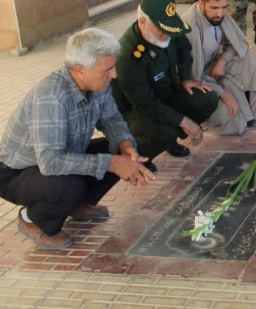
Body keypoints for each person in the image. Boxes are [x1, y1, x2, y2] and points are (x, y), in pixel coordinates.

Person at [0, 29, 154, 250]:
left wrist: (126, 146)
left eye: (113, 67)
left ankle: (78, 204)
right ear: (80, 70)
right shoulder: (51, 97)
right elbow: (51, 162)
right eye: (107, 70)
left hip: (61, 158)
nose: (114, 75)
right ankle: (32, 219)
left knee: (124, 152)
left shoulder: (98, 85)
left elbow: (112, 120)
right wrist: (113, 163)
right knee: (68, 186)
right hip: (17, 173)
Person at [112, 0, 219, 172]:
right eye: (162, 29)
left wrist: (186, 78)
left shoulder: (169, 29)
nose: (167, 34)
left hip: (166, 95)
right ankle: (141, 156)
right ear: (143, 22)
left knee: (207, 98)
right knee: (166, 131)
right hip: (135, 112)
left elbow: (184, 49)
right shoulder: (128, 56)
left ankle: (169, 141)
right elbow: (145, 104)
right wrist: (184, 121)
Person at [181, 0, 256, 135]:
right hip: (197, 81)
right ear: (200, 3)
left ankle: (246, 110)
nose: (220, 13)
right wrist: (222, 93)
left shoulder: (220, 16)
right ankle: (215, 113)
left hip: (213, 69)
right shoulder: (189, 27)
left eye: (224, 7)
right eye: (214, 8)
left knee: (250, 60)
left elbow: (237, 43)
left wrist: (222, 61)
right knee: (234, 125)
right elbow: (191, 76)